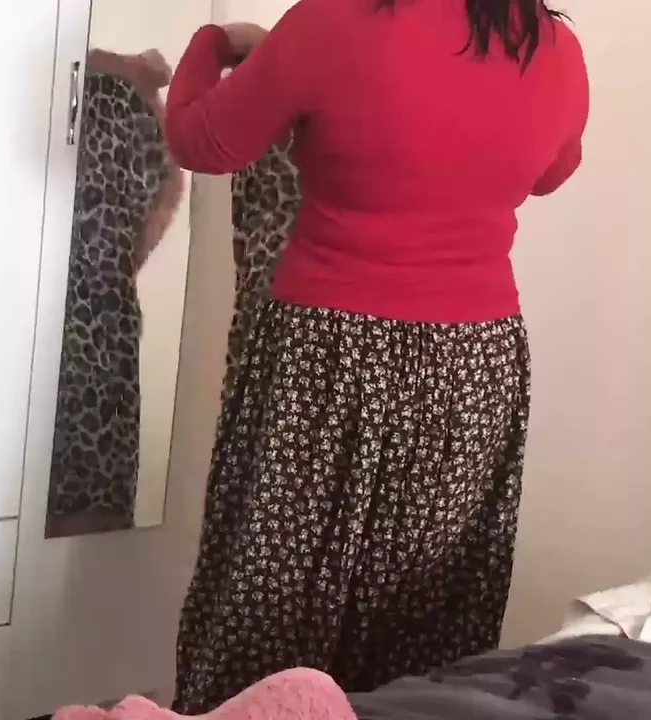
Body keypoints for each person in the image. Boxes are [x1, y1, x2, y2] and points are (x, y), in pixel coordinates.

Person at [163, 0, 588, 712]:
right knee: (425, 607)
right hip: (473, 364)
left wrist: (215, 43)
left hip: (328, 350)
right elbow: (552, 169)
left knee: (276, 592)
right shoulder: (553, 49)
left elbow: (201, 139)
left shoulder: (330, 23)